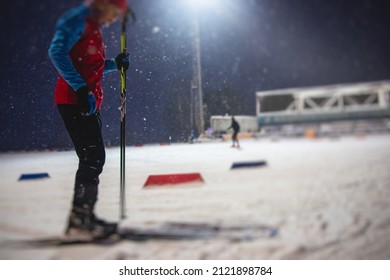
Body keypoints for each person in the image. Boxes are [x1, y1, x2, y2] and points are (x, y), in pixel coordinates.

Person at [48, 0, 130, 238]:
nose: (113, 20)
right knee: (93, 158)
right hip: (74, 100)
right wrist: (81, 89)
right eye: (113, 13)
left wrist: (114, 65)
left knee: (94, 158)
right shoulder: (77, 19)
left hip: (88, 101)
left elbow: (89, 64)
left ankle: (83, 217)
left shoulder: (94, 27)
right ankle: (80, 221)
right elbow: (57, 52)